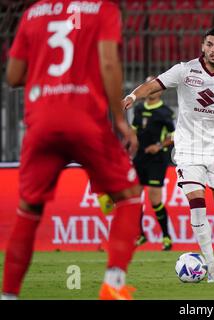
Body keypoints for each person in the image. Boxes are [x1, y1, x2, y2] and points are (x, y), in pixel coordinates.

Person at [2, 1, 143, 300]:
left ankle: (8, 295)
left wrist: (48, 77)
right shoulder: (102, 10)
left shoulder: (32, 14)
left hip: (41, 124)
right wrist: (120, 119)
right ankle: (113, 286)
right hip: (85, 121)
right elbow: (108, 63)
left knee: (28, 210)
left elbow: (13, 76)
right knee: (129, 197)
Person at [123, 27, 214, 283]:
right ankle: (211, 264)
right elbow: (154, 84)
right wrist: (132, 95)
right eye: (209, 45)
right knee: (197, 207)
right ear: (202, 46)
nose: (213, 50)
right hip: (187, 149)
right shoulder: (184, 70)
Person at [131, 76, 175, 250]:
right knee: (134, 198)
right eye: (146, 85)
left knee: (154, 200)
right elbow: (133, 132)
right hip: (139, 159)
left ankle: (166, 237)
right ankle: (140, 234)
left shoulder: (165, 112)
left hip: (157, 160)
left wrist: (158, 146)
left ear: (160, 90)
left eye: (153, 86)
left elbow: (172, 136)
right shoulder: (139, 109)